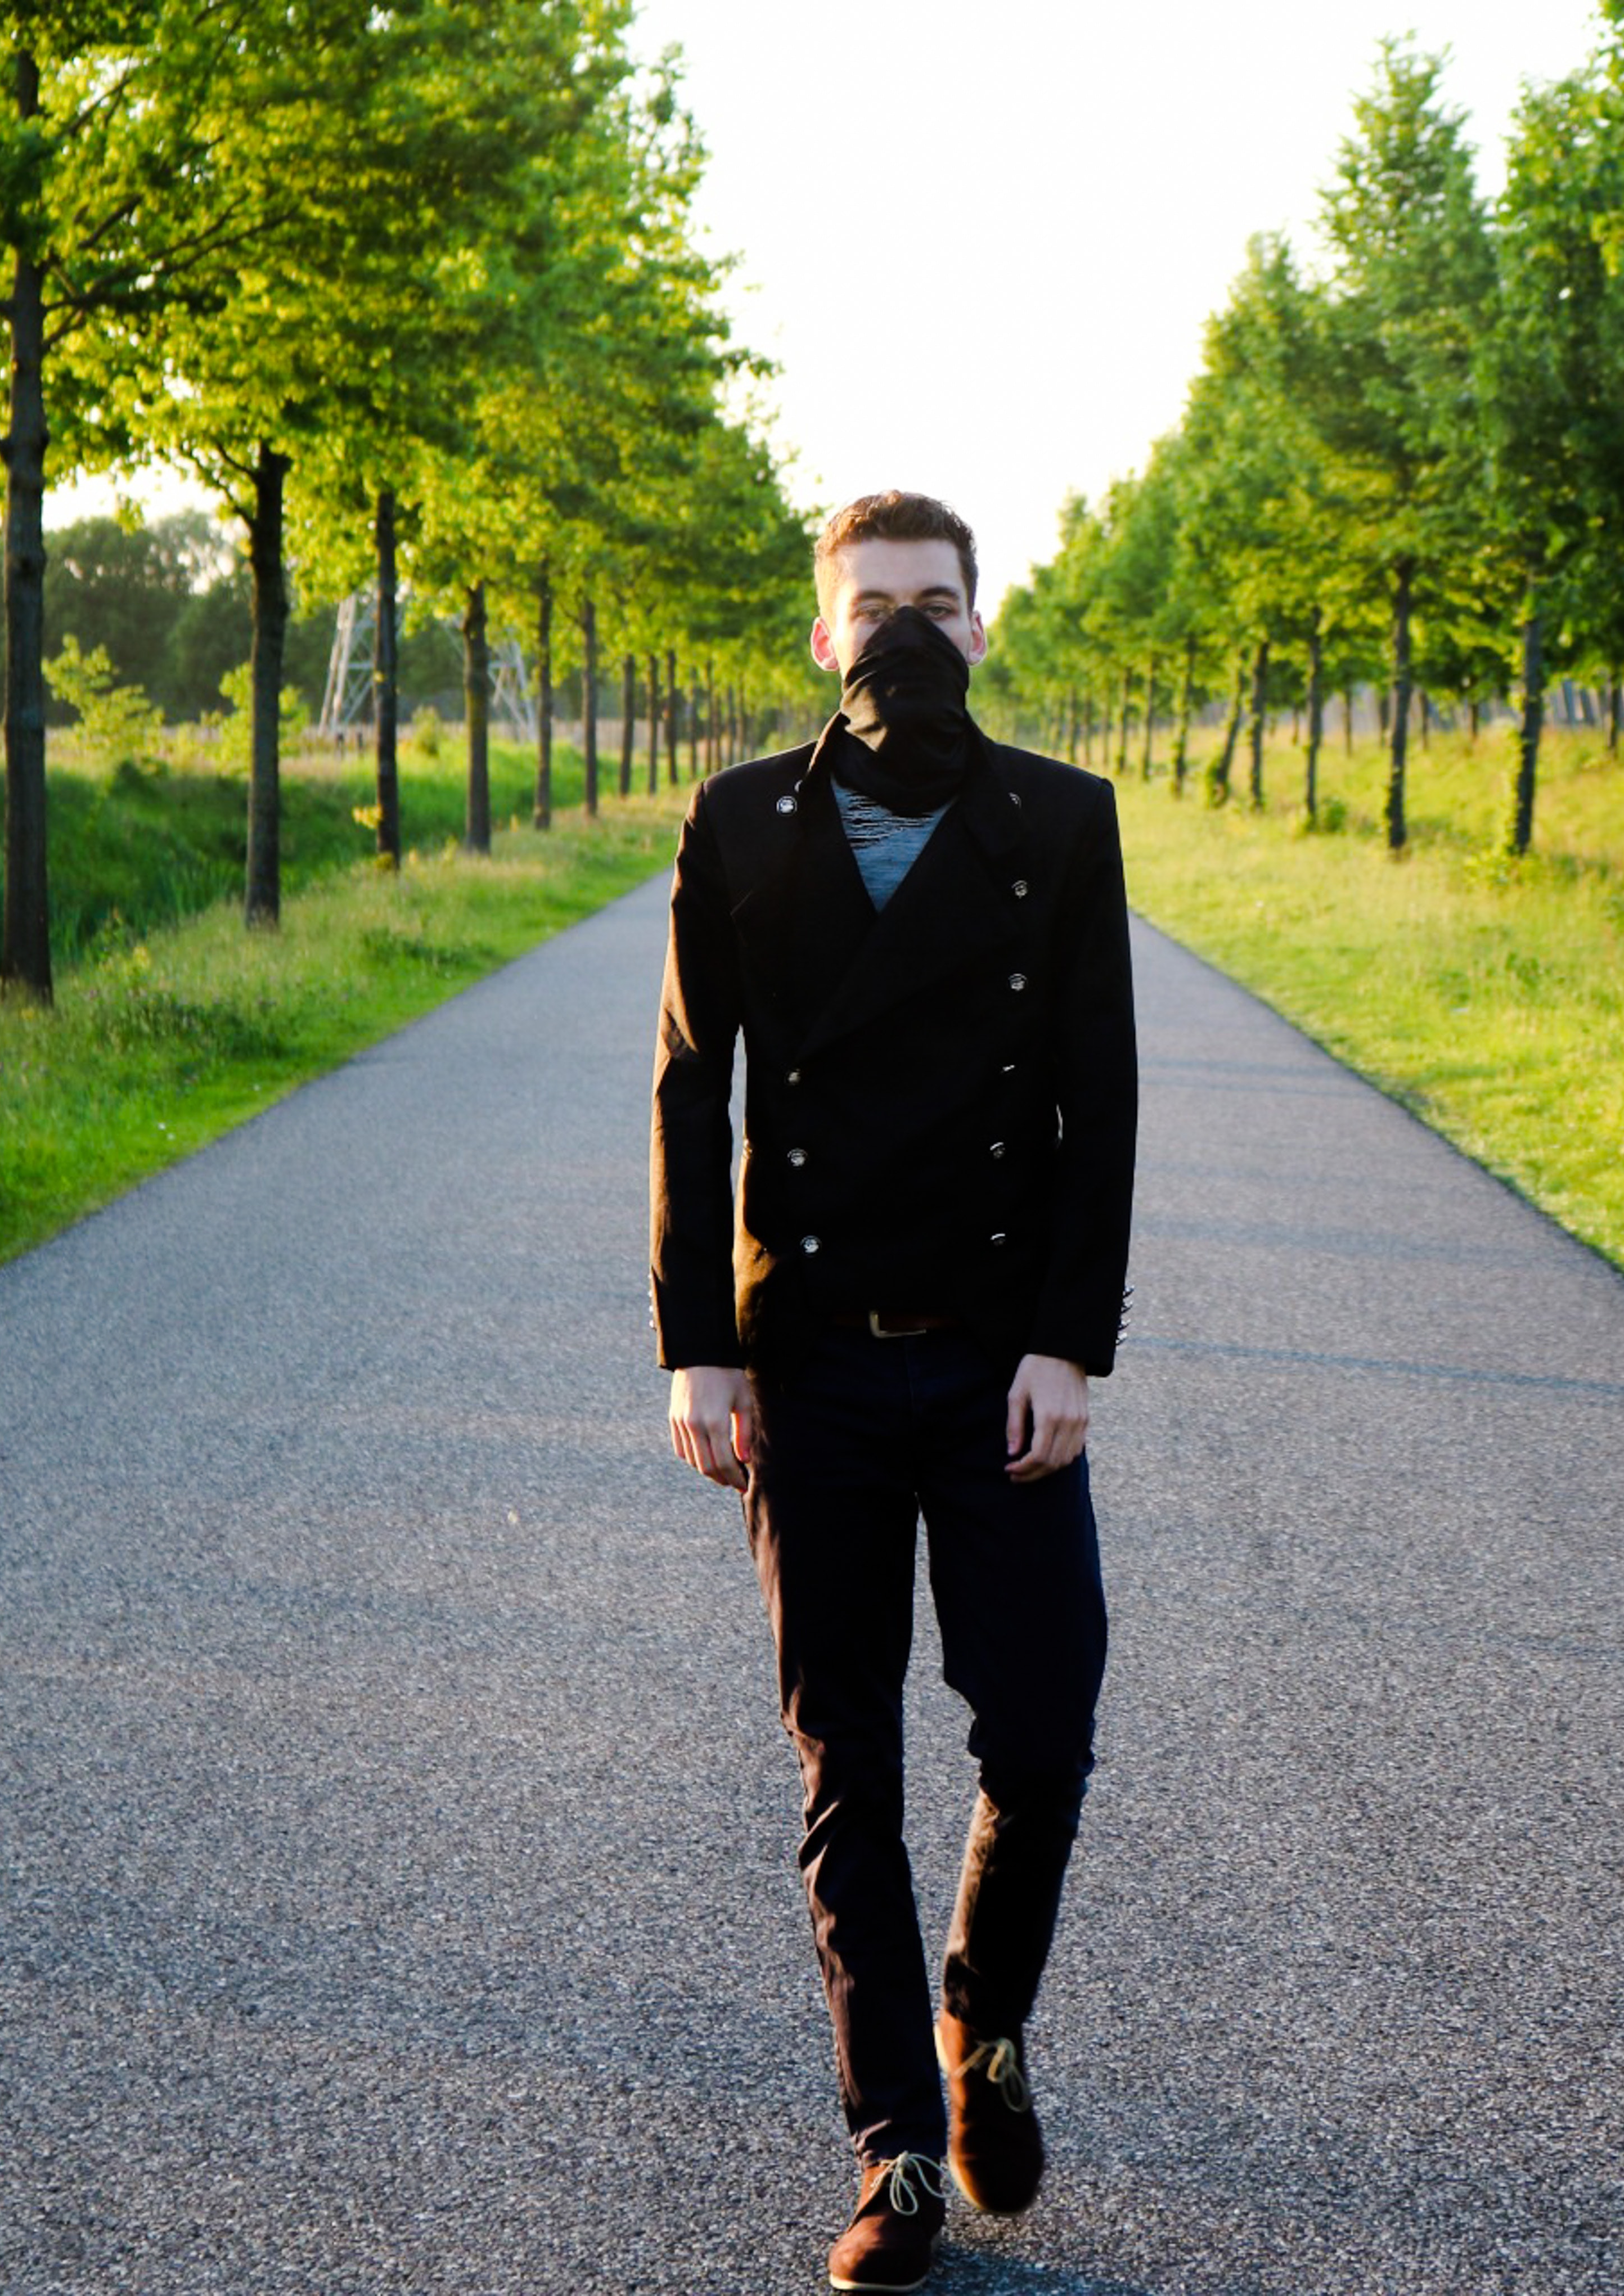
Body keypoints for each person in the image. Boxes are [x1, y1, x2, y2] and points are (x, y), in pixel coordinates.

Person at [650, 489, 1137, 2293]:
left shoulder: (1059, 819)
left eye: (935, 603)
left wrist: (1071, 1341)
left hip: (1000, 1351)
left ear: (982, 626)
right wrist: (696, 1343)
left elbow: (1101, 1093)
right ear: (820, 632)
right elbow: (690, 1091)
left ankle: (981, 2027)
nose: (904, 636)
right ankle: (893, 2155)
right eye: (872, 608)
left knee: (1043, 1731)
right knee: (845, 1756)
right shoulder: (736, 821)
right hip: (812, 1362)